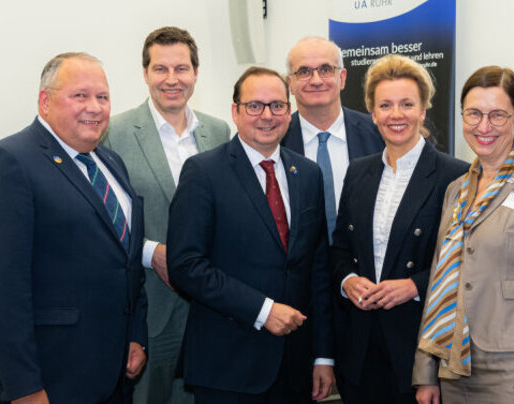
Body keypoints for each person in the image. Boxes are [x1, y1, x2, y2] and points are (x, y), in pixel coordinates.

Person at [0, 52, 147, 403]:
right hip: (49, 382)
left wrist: (135, 335)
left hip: (112, 376)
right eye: (80, 95)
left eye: (103, 97)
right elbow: (0, 291)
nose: (94, 107)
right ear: (45, 101)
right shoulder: (8, 163)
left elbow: (125, 261)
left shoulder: (111, 163)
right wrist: (23, 387)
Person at [166, 66, 334, 403]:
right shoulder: (203, 172)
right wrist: (263, 310)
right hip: (228, 366)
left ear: (289, 112)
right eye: (254, 106)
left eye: (277, 105)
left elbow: (317, 270)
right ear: (236, 112)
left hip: (295, 366)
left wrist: (323, 355)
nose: (267, 116)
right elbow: (186, 265)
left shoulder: (308, 174)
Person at [413, 65, 514, 404]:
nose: (483, 127)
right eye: (473, 114)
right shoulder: (455, 190)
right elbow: (443, 281)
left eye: (497, 115)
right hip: (454, 365)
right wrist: (425, 371)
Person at [102, 26, 231, 404]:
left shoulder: (219, 131)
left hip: (210, 308)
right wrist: (151, 252)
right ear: (145, 74)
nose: (171, 80)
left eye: (181, 69)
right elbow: (102, 220)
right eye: (160, 69)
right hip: (147, 307)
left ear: (195, 73)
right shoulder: (114, 132)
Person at [331, 54, 468, 403]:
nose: (396, 115)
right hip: (359, 349)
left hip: (420, 347)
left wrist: (413, 285)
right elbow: (340, 249)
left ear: (424, 110)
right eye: (385, 105)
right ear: (372, 113)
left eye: (407, 104)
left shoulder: (456, 175)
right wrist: (348, 280)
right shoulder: (358, 172)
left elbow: (466, 261)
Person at [282, 36, 384, 240]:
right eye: (304, 72)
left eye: (326, 69)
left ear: (342, 77)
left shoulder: (378, 134)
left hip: (365, 267)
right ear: (290, 84)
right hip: (300, 268)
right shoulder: (275, 141)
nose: (316, 80)